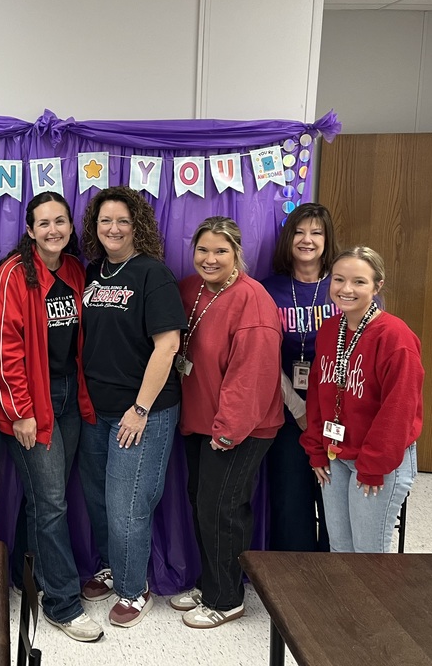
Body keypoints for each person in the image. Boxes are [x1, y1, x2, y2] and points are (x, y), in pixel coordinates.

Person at [0, 191, 102, 643]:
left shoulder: (74, 270)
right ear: (31, 230)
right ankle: (61, 603)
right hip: (32, 402)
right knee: (52, 502)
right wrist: (20, 413)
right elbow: (4, 350)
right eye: (43, 223)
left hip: (71, 397)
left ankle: (24, 575)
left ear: (70, 227)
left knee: (44, 497)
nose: (53, 230)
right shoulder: (14, 274)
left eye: (61, 221)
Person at [78, 186, 186, 628]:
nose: (114, 228)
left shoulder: (151, 274)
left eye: (123, 220)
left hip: (144, 411)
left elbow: (168, 346)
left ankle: (133, 587)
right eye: (105, 220)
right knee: (100, 500)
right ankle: (113, 565)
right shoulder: (91, 272)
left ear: (137, 224)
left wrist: (140, 410)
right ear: (94, 227)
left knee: (128, 503)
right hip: (94, 410)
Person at [172, 216, 283, 629]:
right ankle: (209, 583)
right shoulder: (190, 288)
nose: (210, 258)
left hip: (242, 428)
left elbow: (251, 374)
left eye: (221, 250)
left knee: (222, 509)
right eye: (203, 249)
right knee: (203, 504)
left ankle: (226, 598)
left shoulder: (252, 299)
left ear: (237, 253)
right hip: (201, 422)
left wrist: (229, 429)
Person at [300, 247, 422, 553]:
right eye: (339, 279)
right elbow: (317, 393)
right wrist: (316, 449)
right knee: (340, 548)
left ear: (377, 286)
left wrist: (373, 464)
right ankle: (345, 604)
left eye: (359, 282)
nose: (346, 289)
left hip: (377, 461)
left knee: (368, 555)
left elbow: (399, 408)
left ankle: (375, 604)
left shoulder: (395, 337)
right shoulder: (330, 330)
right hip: (334, 457)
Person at [261, 204, 339, 552]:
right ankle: (296, 581)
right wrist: (299, 409)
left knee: (334, 497)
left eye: (316, 233)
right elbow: (261, 356)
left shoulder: (344, 284)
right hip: (287, 410)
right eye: (299, 232)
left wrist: (324, 411)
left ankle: (336, 577)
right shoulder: (268, 289)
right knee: (290, 498)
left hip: (338, 414)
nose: (307, 240)